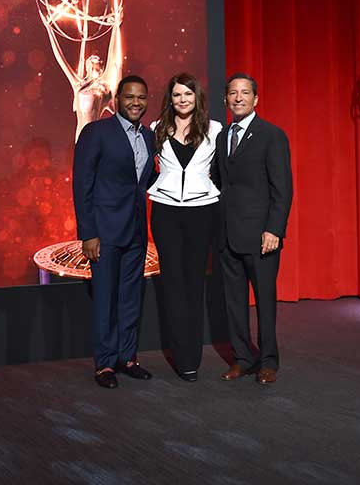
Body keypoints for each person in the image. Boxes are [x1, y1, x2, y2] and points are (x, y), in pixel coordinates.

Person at [73, 75, 157, 389]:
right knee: (105, 298)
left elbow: (146, 181)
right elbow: (82, 185)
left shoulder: (148, 137)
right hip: (104, 233)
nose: (136, 103)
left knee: (131, 298)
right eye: (130, 97)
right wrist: (88, 233)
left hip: (136, 231)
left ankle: (127, 357)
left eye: (142, 97)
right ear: (117, 100)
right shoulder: (96, 132)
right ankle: (105, 364)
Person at [213, 73, 292, 385]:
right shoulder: (222, 137)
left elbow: (282, 188)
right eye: (233, 93)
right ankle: (243, 359)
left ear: (256, 99)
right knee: (233, 302)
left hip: (261, 237)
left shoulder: (271, 135)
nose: (238, 98)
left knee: (265, 301)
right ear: (226, 99)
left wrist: (274, 229)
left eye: (245, 93)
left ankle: (268, 361)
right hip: (227, 235)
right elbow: (220, 183)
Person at [148, 73, 222, 382]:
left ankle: (193, 355)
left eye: (188, 95)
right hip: (165, 212)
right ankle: (182, 357)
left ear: (197, 97)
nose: (182, 100)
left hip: (201, 212)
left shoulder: (216, 130)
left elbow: (225, 173)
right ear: (170, 98)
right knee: (173, 285)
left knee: (194, 284)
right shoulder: (155, 129)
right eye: (177, 95)